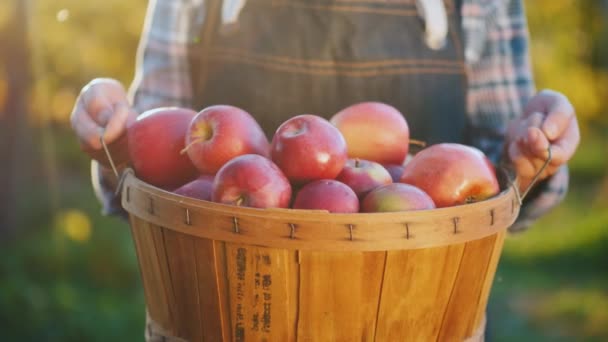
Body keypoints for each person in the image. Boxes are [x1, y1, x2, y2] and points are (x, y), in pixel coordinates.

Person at [70, 0, 580, 340]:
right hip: (234, 316)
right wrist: (114, 142)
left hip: (415, 316)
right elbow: (152, 179)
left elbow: (499, 187)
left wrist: (533, 157)